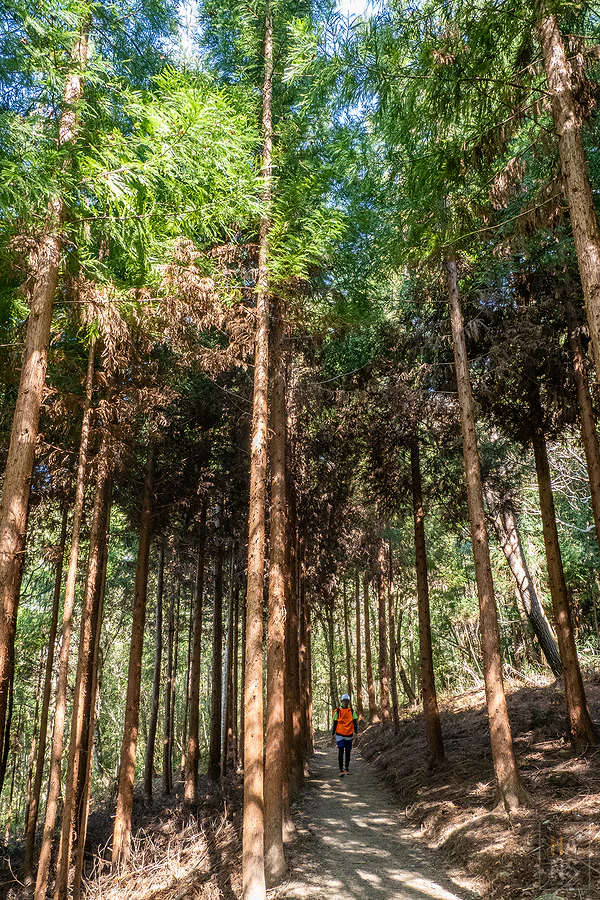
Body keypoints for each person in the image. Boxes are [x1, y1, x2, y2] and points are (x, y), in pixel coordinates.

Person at [332, 694, 358, 777]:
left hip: (349, 734)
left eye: (347, 701)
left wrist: (356, 733)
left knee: (348, 752)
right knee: (340, 751)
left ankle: (346, 768)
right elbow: (335, 723)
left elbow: (355, 723)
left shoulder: (352, 711)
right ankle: (340, 770)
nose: (345, 702)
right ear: (342, 701)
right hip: (339, 734)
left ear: (348, 702)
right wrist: (333, 734)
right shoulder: (337, 711)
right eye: (344, 701)